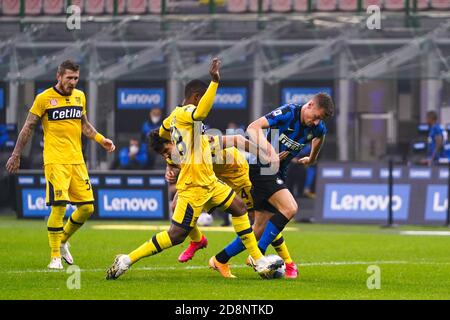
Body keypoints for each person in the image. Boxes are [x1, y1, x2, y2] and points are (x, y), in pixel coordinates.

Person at [106, 58, 281, 280]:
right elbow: (199, 114)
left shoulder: (170, 120)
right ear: (197, 97)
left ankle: (258, 260)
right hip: (194, 185)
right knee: (176, 235)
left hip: (210, 180)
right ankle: (126, 260)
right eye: (204, 97)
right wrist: (215, 82)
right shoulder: (186, 111)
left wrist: (170, 165)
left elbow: (160, 135)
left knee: (239, 208)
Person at [5, 60, 116, 270]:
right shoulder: (44, 98)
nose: (73, 82)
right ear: (59, 76)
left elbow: (84, 125)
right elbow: (28, 127)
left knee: (87, 208)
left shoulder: (80, 96)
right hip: (55, 161)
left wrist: (102, 139)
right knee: (59, 206)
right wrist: (16, 154)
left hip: (77, 161)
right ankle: (55, 257)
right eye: (69, 78)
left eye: (76, 78)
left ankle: (63, 239)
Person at [211, 92, 334, 277]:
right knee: (290, 208)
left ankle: (220, 259)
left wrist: (312, 158)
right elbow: (254, 127)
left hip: (277, 172)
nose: (316, 122)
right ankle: (258, 255)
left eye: (320, 119)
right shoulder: (288, 112)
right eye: (316, 117)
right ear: (309, 105)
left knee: (259, 228)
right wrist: (268, 151)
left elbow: (320, 136)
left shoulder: (316, 127)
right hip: (262, 167)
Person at [150, 130, 298, 278]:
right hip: (212, 181)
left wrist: (265, 156)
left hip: (241, 177)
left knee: (262, 219)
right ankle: (198, 241)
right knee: (176, 206)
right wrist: (169, 171)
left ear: (172, 141)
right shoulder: (177, 152)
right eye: (162, 154)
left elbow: (237, 139)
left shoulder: (203, 142)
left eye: (165, 151)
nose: (165, 156)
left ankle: (286, 261)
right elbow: (172, 164)